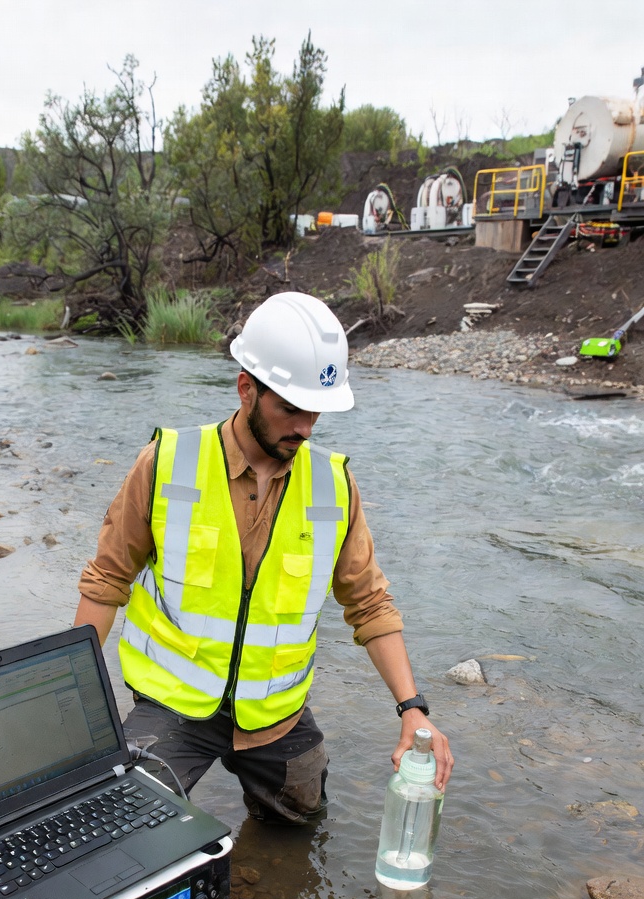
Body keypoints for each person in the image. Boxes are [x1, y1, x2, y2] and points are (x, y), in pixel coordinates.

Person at [74, 291, 453, 823]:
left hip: (276, 716)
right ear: (246, 388)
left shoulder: (335, 487)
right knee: (120, 824)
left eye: (316, 411)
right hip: (174, 706)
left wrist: (414, 711)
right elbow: (107, 579)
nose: (306, 427)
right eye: (290, 408)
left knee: (301, 823)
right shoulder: (166, 464)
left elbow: (369, 604)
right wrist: (75, 701)